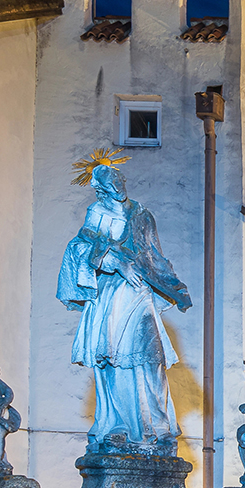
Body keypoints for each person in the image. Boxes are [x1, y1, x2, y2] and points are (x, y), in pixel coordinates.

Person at [56, 150, 193, 454]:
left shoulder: (142, 214)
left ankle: (159, 427)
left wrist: (174, 287)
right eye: (110, 183)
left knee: (151, 357)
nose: (117, 185)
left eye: (119, 179)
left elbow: (154, 255)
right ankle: (119, 426)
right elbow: (79, 247)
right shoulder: (97, 213)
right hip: (110, 296)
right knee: (113, 360)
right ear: (100, 189)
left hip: (140, 293)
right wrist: (116, 262)